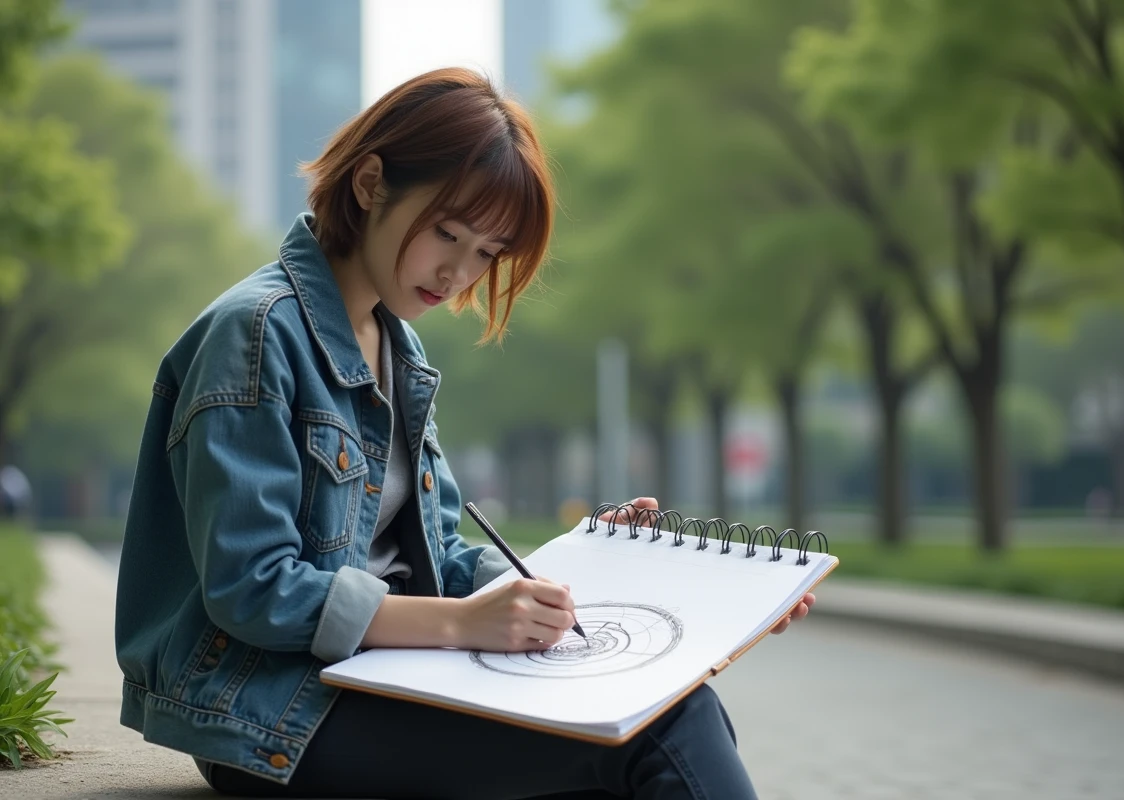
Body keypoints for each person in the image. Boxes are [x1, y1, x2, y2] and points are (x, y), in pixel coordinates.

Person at [114, 67, 816, 800]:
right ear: (370, 184)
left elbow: (441, 555)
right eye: (448, 232)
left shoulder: (397, 350)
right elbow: (252, 589)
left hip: (382, 679)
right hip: (276, 714)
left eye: (487, 252)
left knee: (667, 709)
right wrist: (459, 626)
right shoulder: (255, 334)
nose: (457, 272)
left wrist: (596, 577)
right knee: (660, 737)